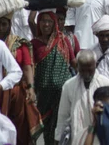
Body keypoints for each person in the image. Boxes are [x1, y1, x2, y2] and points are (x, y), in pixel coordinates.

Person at [0, 9, 43, 144]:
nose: (1, 28)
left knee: (19, 130)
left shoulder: (19, 44)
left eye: (4, 24)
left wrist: (31, 88)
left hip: (16, 93)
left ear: (9, 25)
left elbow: (27, 67)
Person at [30, 9, 77, 145]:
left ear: (54, 23)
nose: (45, 24)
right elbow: (30, 68)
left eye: (49, 21)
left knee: (60, 126)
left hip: (62, 94)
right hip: (43, 96)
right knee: (45, 129)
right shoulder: (33, 43)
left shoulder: (63, 40)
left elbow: (73, 63)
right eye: (43, 21)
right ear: (38, 24)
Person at [55, 50, 109, 144]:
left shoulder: (107, 84)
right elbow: (63, 115)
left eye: (89, 70)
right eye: (82, 70)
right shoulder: (69, 86)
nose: (86, 74)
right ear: (77, 66)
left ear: (95, 65)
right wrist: (58, 138)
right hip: (77, 137)